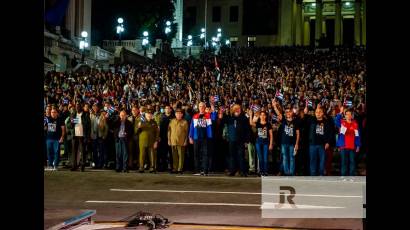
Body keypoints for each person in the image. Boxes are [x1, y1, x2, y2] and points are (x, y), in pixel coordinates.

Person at [189, 102, 217, 176]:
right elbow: (191, 127)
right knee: (196, 154)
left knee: (205, 154)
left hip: (206, 138)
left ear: (205, 107)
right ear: (198, 107)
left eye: (202, 106)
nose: (201, 107)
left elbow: (214, 116)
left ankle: (205, 170)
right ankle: (197, 170)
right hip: (196, 138)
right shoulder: (195, 116)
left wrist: (212, 107)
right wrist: (190, 137)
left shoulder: (208, 116)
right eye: (200, 106)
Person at [304, 104, 333, 176]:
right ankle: (313, 175)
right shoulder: (311, 120)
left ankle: (321, 175)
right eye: (316, 112)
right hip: (312, 144)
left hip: (322, 145)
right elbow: (305, 118)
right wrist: (305, 112)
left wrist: (328, 142)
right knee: (312, 161)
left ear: (323, 113)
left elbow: (330, 133)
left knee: (322, 161)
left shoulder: (326, 122)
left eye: (320, 112)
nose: (318, 113)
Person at [222, 104, 250, 177]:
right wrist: (226, 112)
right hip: (232, 140)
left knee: (241, 156)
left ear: (240, 110)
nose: (237, 110)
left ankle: (242, 171)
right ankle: (232, 171)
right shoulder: (230, 118)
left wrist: (247, 140)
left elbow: (247, 130)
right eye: (235, 109)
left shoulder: (244, 118)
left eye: (238, 108)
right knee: (232, 156)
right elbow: (223, 120)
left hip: (241, 140)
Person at [273, 100, 300, 176]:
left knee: (292, 158)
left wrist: (297, 144)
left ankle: (291, 173)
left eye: (290, 111)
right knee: (285, 158)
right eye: (287, 112)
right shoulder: (284, 120)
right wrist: (274, 106)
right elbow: (278, 113)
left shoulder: (295, 122)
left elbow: (298, 134)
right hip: (284, 143)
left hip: (292, 144)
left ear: (292, 113)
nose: (288, 113)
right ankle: (286, 172)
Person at [335, 107, 361, 176]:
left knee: (352, 162)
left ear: (352, 115)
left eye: (350, 114)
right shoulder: (342, 123)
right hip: (343, 146)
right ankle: (343, 176)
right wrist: (340, 113)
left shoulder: (355, 124)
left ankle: (351, 176)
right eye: (347, 114)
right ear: (345, 115)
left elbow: (357, 136)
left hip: (352, 147)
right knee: (344, 162)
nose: (348, 116)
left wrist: (358, 145)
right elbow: (336, 120)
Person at [249, 110, 273, 176]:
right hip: (258, 142)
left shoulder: (268, 124)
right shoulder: (258, 123)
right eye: (261, 115)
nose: (262, 116)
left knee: (265, 157)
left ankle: (265, 171)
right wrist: (251, 115)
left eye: (264, 115)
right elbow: (251, 123)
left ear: (265, 116)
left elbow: (271, 135)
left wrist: (271, 144)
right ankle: (261, 171)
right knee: (260, 157)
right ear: (260, 116)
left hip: (266, 143)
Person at [137, 109, 159, 173]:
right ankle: (141, 167)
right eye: (147, 114)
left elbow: (157, 133)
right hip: (142, 141)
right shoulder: (141, 122)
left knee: (152, 154)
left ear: (152, 115)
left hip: (151, 141)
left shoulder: (154, 122)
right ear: (145, 115)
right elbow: (136, 132)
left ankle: (152, 167)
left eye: (150, 114)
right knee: (142, 155)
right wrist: (138, 127)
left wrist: (156, 141)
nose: (149, 115)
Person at [70, 102, 91, 172]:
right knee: (74, 152)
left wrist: (87, 137)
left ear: (81, 107)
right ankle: (74, 166)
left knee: (83, 152)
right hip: (75, 135)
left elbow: (88, 126)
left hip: (82, 136)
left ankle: (82, 166)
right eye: (76, 106)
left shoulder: (86, 114)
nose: (77, 107)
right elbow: (71, 123)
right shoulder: (73, 114)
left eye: (78, 106)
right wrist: (74, 121)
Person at [167, 108, 189, 174]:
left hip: (181, 141)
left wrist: (185, 141)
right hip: (173, 141)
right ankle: (175, 168)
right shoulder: (172, 121)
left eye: (180, 113)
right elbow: (169, 131)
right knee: (174, 156)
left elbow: (187, 133)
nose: (178, 115)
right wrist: (169, 140)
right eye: (177, 113)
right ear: (175, 114)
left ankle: (180, 169)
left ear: (182, 114)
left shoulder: (185, 122)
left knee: (181, 156)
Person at [158, 105, 175, 172]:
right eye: (166, 108)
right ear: (164, 110)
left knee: (171, 153)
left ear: (171, 109)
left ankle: (172, 167)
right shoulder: (161, 117)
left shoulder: (173, 117)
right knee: (163, 153)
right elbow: (159, 128)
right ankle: (163, 167)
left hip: (171, 137)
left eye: (168, 108)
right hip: (163, 138)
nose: (167, 109)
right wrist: (159, 136)